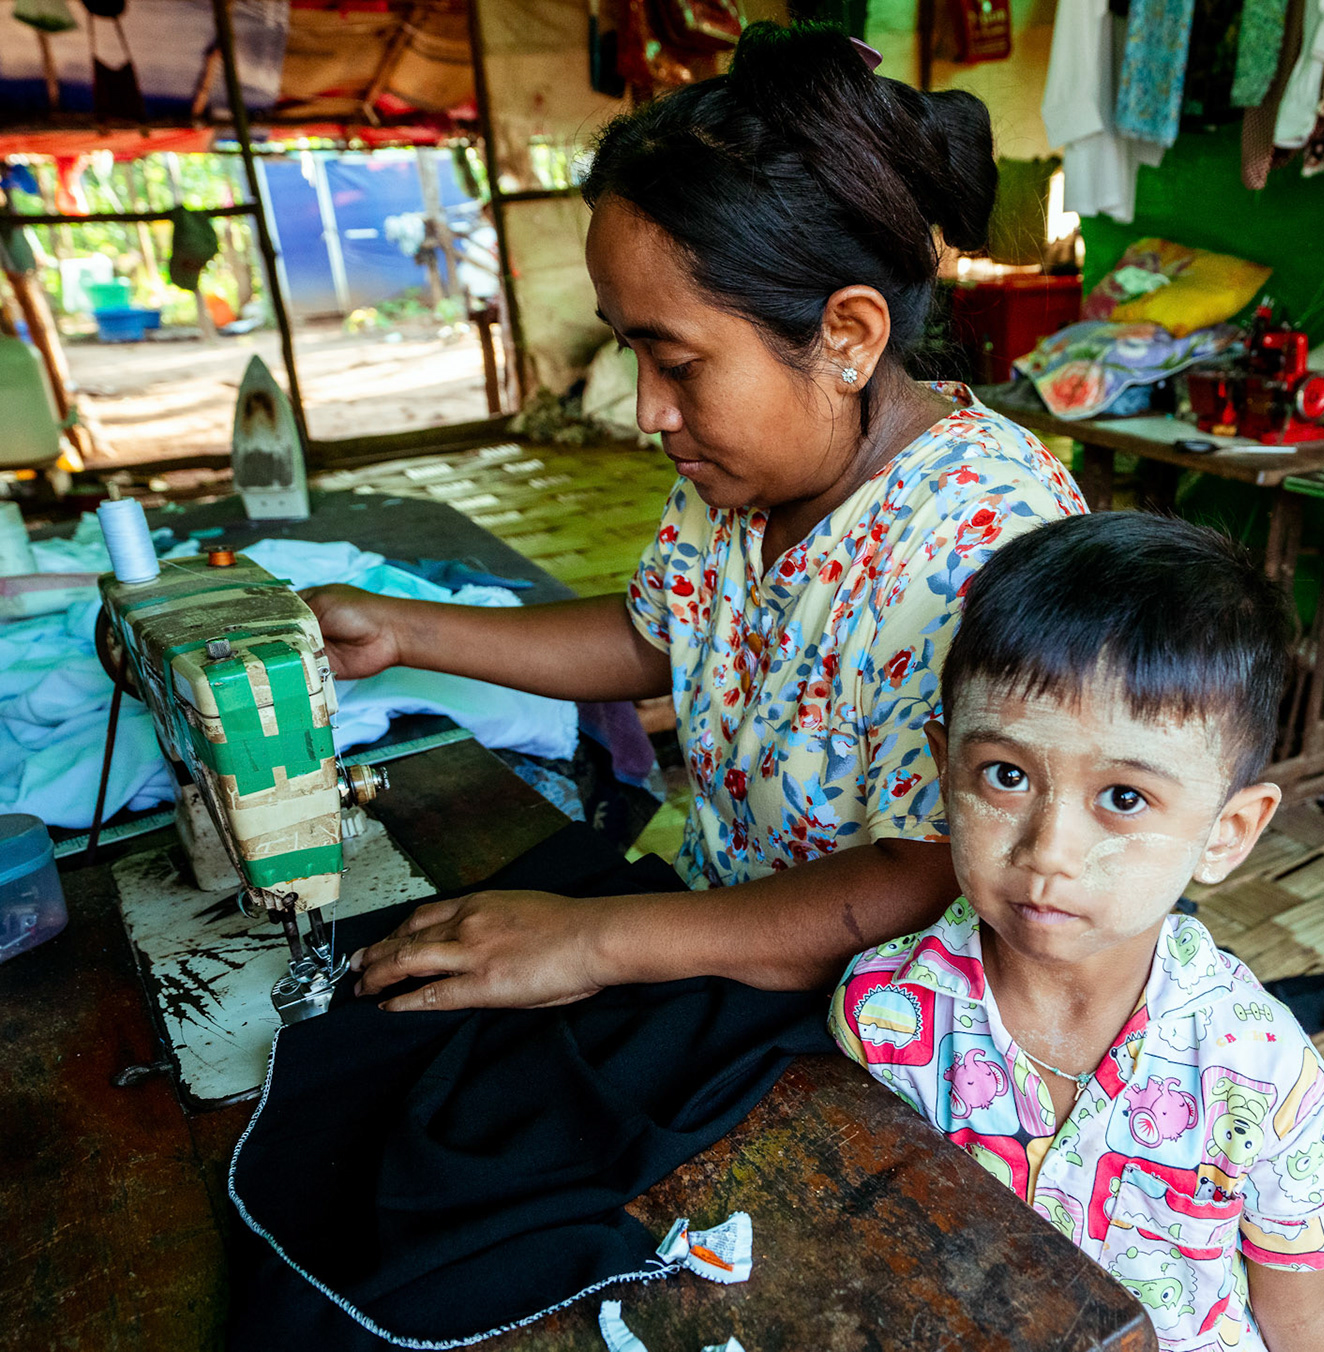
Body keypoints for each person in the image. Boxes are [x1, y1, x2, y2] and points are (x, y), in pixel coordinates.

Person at [306, 23, 1085, 1011]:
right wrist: (407, 629)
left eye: (675, 362)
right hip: (728, 954)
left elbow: (917, 877)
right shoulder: (741, 477)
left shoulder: (983, 538)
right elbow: (659, 632)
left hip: (899, 1036)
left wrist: (594, 938)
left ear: (846, 334)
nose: (647, 410)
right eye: (632, 354)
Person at [832, 513, 1324, 1352]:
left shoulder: (1260, 1069)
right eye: (1004, 776)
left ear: (1227, 832)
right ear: (945, 771)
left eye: (1124, 798)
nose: (1049, 852)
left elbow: (1302, 1314)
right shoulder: (884, 1017)